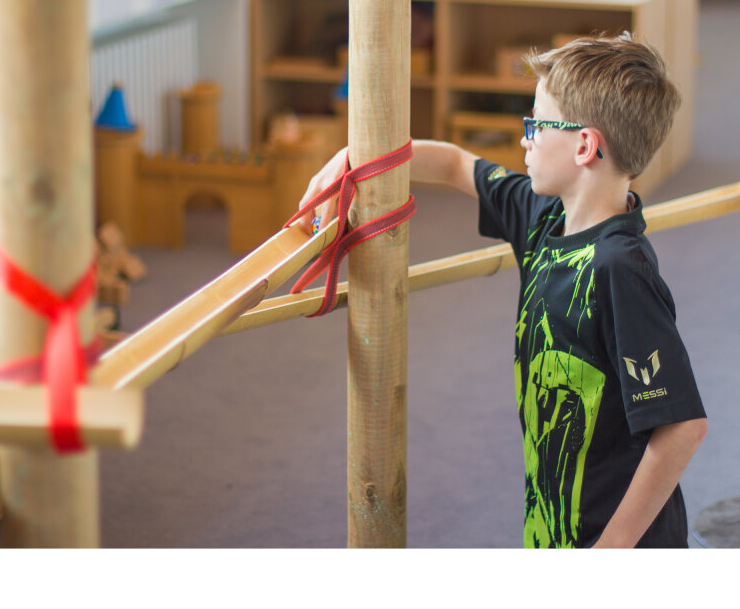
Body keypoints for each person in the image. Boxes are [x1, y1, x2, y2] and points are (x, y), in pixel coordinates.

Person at [296, 32, 707, 548]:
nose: (524, 139)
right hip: (555, 529)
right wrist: (353, 159)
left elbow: (682, 427)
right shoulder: (544, 217)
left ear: (584, 146)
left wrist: (609, 551)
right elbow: (454, 164)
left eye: (536, 123)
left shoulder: (619, 268)